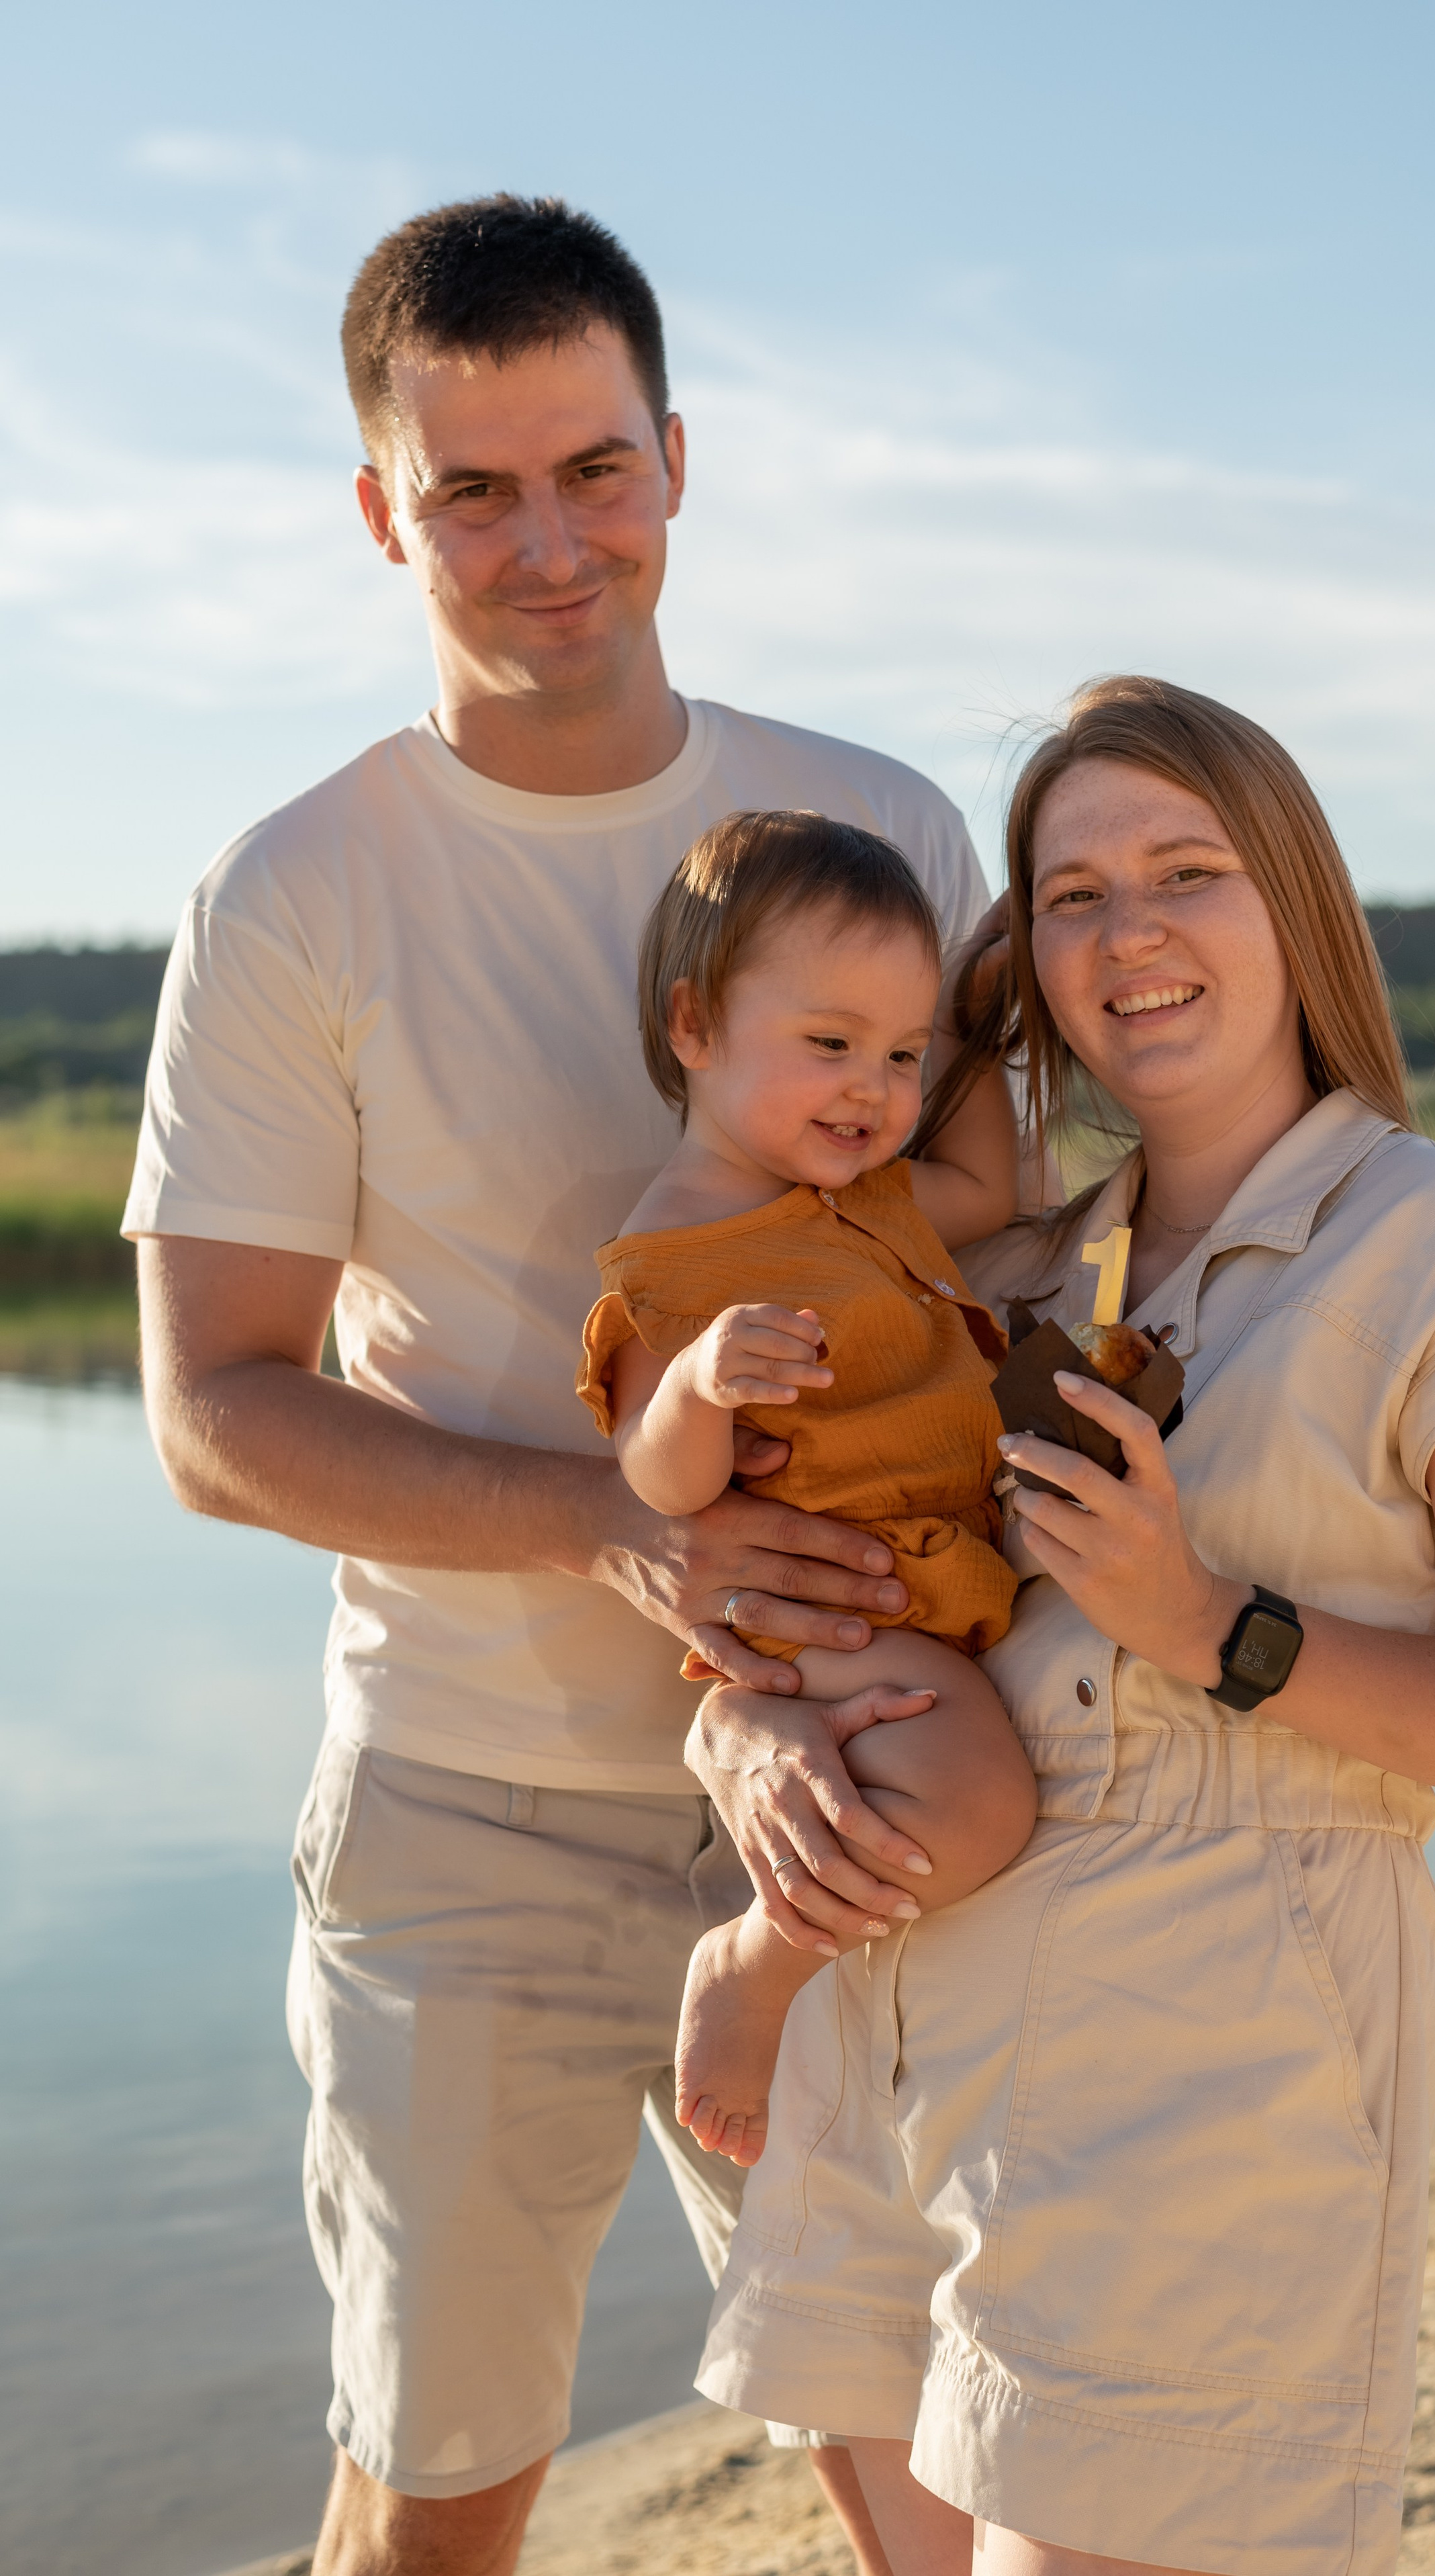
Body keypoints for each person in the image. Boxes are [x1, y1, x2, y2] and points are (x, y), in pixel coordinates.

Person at [124, 193, 986, 2576]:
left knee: (944, 2478)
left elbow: (1014, 1260)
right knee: (443, 2502)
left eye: (592, 468)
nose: (547, 540)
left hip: (849, 1799)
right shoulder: (297, 886)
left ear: (680, 462)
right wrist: (624, 1523)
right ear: (385, 507)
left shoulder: (888, 828)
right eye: (476, 488)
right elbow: (211, 1409)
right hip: (466, 1817)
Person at [692, 676, 1435, 2575]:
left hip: (1208, 2081)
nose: (1129, 931)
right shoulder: (998, 1272)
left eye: (1187, 871)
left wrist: (1216, 1621)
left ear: (1294, 899)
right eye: (1070, 897)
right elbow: (806, 1567)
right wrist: (743, 1733)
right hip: (897, 2044)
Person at [577, 809, 1039, 2168]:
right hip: (837, 1619)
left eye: (896, 1057)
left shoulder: (871, 1197)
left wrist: (973, 1018)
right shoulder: (675, 1254)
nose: (872, 1089)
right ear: (694, 1027)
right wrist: (698, 1388)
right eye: (829, 1045)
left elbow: (981, 1179)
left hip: (923, 1594)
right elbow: (659, 1486)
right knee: (974, 1811)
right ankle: (756, 1963)